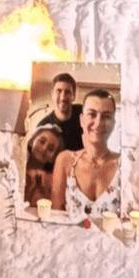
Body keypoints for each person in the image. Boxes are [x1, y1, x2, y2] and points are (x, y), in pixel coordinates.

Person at [50, 89, 120, 218]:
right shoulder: (66, 160)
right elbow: (55, 217)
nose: (98, 123)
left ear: (114, 123)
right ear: (82, 120)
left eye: (106, 116)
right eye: (92, 114)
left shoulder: (124, 166)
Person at [37, 72, 83, 151]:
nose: (63, 97)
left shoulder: (84, 114)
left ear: (74, 96)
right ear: (52, 95)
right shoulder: (44, 127)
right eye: (59, 91)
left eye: (67, 92)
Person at [23, 124, 64, 208]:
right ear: (31, 141)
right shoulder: (16, 170)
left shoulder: (51, 181)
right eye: (41, 141)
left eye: (51, 149)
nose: (44, 148)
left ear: (53, 158)